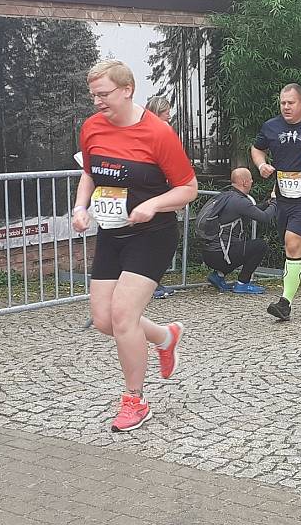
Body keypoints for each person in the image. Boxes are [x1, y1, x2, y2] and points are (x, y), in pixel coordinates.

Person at [72, 59, 198, 432]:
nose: (97, 101)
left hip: (152, 235)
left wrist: (153, 204)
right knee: (103, 320)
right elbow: (89, 173)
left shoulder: (158, 133)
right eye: (93, 94)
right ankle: (164, 335)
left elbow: (187, 189)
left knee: (124, 317)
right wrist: (81, 207)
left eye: (104, 94)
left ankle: (135, 400)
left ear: (127, 90)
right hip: (111, 233)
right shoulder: (91, 128)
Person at [251, 84, 301, 321]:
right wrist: (261, 165)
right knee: (294, 245)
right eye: (283, 103)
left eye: (291, 102)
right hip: (284, 197)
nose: (286, 107)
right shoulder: (271, 126)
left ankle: (285, 303)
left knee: (292, 242)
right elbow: (257, 149)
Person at [200, 167, 276, 294]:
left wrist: (268, 203)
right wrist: (275, 202)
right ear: (245, 182)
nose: (252, 182)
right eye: (251, 179)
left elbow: (253, 210)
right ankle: (243, 283)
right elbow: (265, 218)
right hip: (222, 254)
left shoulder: (226, 196)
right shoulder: (240, 201)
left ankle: (218, 276)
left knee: (239, 247)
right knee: (260, 245)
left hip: (210, 254)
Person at [146, 96, 177, 299]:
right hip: (154, 191)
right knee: (158, 240)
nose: (169, 116)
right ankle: (150, 284)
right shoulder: (158, 132)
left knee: (159, 239)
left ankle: (152, 283)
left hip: (159, 190)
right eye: (166, 112)